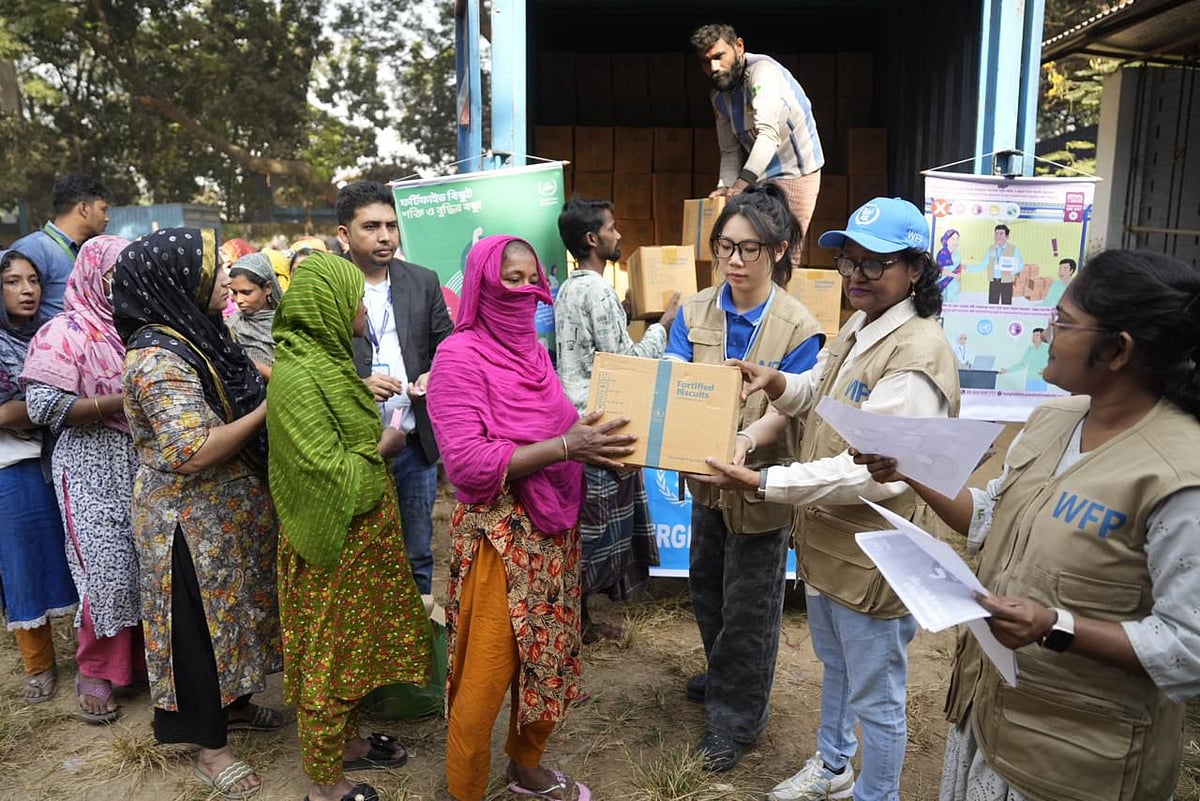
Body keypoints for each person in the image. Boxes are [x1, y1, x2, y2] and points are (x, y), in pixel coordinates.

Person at [853, 250, 1200, 801]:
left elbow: (1187, 649)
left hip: (1077, 759)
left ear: (1119, 350)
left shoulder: (1180, 474)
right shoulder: (1053, 420)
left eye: (1063, 321)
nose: (1046, 332)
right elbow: (990, 516)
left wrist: (1055, 626)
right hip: (994, 716)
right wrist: (908, 469)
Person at [699, 197, 960, 801]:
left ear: (916, 269)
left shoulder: (918, 355)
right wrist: (778, 383)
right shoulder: (862, 325)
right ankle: (834, 764)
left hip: (875, 556)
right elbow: (820, 388)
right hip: (831, 545)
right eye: (849, 261)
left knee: (878, 694)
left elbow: (874, 476)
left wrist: (765, 483)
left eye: (874, 264)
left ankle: (877, 792)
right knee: (838, 667)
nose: (856, 276)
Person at [428, 235, 637, 801]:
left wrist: (600, 443)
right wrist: (568, 447)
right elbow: (467, 463)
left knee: (548, 661)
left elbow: (562, 425)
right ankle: (464, 789)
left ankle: (526, 765)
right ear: (481, 284)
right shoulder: (459, 357)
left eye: (530, 279)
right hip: (499, 539)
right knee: (484, 677)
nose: (523, 291)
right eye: (509, 280)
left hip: (552, 534)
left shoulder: (535, 354)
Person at [113, 228, 282, 800]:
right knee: (199, 629)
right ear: (177, 278)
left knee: (233, 616)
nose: (227, 278)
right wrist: (268, 411)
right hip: (185, 521)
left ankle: (235, 706)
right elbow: (190, 451)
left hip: (225, 513)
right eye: (214, 267)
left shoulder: (197, 332)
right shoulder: (157, 358)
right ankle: (212, 750)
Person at [665, 183, 824, 771]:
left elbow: (790, 408)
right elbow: (674, 378)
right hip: (705, 480)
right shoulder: (694, 311)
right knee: (707, 588)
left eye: (749, 248)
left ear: (778, 251)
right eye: (725, 246)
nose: (734, 260)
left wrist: (745, 441)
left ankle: (738, 720)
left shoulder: (799, 327)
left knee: (750, 608)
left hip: (760, 485)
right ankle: (724, 675)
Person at [268, 252, 432, 801]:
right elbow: (324, 472)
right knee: (329, 659)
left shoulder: (330, 362)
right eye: (356, 298)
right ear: (331, 305)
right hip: (331, 543)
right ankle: (326, 783)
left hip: (357, 542)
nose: (364, 307)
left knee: (352, 650)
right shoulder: (298, 376)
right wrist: (383, 447)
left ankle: (348, 744)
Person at [20, 235, 146, 723]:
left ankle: (141, 664)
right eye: (116, 274)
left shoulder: (140, 326)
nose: (125, 283)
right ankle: (96, 669)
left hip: (142, 459)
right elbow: (42, 406)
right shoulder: (63, 332)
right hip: (89, 465)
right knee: (106, 570)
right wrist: (125, 400)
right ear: (94, 275)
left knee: (147, 566)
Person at [554, 197, 677, 641]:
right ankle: (575, 623)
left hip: (574, 421)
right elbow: (626, 363)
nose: (618, 234)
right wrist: (664, 325)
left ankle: (577, 620)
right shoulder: (598, 291)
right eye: (612, 227)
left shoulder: (567, 289)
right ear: (592, 239)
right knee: (597, 527)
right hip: (601, 424)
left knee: (583, 524)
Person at [337, 181, 453, 597]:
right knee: (359, 552)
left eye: (391, 225)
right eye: (371, 227)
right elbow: (310, 361)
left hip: (412, 442)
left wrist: (434, 374)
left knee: (417, 551)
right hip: (353, 447)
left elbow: (448, 345)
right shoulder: (328, 285)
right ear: (344, 234)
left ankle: (421, 632)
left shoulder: (422, 281)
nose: (385, 236)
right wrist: (356, 387)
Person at [0, 249, 78, 704]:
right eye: (12, 282)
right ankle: (39, 664)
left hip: (63, 458)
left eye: (32, 280)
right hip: (13, 466)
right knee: (23, 564)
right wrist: (58, 406)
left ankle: (93, 658)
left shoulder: (50, 334)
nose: (26, 290)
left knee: (76, 554)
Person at [690, 24, 824, 263]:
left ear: (739, 47)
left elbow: (768, 135)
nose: (714, 68)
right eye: (706, 62)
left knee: (783, 254)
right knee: (756, 249)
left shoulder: (763, 73)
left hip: (796, 171)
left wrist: (741, 184)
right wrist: (726, 186)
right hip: (761, 174)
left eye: (719, 57)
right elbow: (729, 151)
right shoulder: (719, 97)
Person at [9, 174, 111, 315]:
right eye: (103, 210)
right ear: (83, 208)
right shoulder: (33, 249)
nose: (107, 218)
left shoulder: (87, 252)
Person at [226, 252, 283, 376]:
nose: (238, 300)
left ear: (268, 288)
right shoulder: (231, 327)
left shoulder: (285, 323)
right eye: (234, 292)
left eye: (246, 292)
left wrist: (264, 371)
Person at [981, 224, 1022, 305]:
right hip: (994, 281)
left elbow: (1020, 266)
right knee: (992, 305)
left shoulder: (1013, 249)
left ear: (1007, 237)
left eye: (1001, 234)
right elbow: (983, 264)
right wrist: (966, 267)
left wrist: (1010, 272)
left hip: (1007, 282)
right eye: (996, 234)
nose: (998, 236)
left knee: (1006, 305)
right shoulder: (991, 248)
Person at [999, 327, 1049, 391]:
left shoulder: (1047, 349)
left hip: (1041, 380)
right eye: (1033, 335)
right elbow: (1022, 364)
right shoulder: (1030, 349)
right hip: (1030, 379)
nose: (1034, 337)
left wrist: (1046, 371)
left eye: (1037, 335)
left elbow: (1053, 363)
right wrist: (1007, 370)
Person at [935, 229, 962, 303]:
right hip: (944, 284)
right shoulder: (942, 253)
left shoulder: (957, 254)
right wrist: (954, 275)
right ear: (947, 240)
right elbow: (941, 270)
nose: (956, 241)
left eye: (957, 238)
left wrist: (960, 284)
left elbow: (959, 269)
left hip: (954, 285)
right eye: (953, 239)